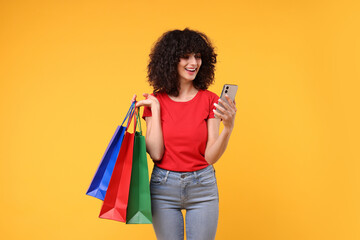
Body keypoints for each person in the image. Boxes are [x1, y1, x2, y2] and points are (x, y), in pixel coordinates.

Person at [132, 28, 236, 240]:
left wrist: (229, 127)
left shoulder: (210, 100)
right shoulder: (155, 101)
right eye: (186, 56)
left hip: (203, 188)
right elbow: (157, 154)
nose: (193, 63)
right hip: (163, 188)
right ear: (171, 60)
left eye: (197, 57)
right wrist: (157, 108)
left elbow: (210, 157)